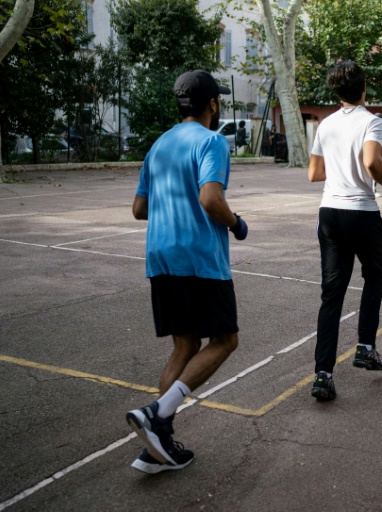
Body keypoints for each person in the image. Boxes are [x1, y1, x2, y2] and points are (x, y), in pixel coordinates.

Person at [127, 70, 249, 473]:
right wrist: (235, 223)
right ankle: (158, 415)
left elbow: (140, 209)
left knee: (184, 345)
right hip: (197, 258)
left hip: (160, 257)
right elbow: (211, 199)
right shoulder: (212, 141)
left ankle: (155, 447)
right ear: (213, 104)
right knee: (225, 339)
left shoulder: (159, 144)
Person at [307, 60, 382, 401]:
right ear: (363, 88)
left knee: (332, 294)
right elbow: (372, 162)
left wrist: (341, 161)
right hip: (361, 212)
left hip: (329, 212)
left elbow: (314, 173)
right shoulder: (373, 121)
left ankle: (323, 374)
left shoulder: (326, 124)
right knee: (374, 277)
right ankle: (365, 346)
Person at [373, 113, 382, 198]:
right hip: (373, 155)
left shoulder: (377, 128)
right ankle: (373, 191)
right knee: (374, 173)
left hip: (376, 153)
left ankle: (373, 190)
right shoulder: (375, 129)